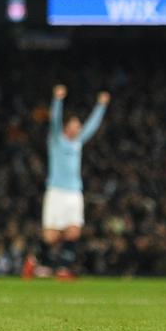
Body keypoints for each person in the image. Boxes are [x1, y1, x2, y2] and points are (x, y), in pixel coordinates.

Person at [39, 84, 109, 278]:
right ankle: (37, 262)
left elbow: (92, 126)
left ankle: (63, 269)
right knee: (51, 236)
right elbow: (55, 120)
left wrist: (101, 106)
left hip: (74, 192)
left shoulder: (77, 142)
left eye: (79, 126)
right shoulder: (56, 140)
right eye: (75, 125)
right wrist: (57, 100)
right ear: (67, 127)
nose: (79, 128)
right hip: (56, 191)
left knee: (73, 232)